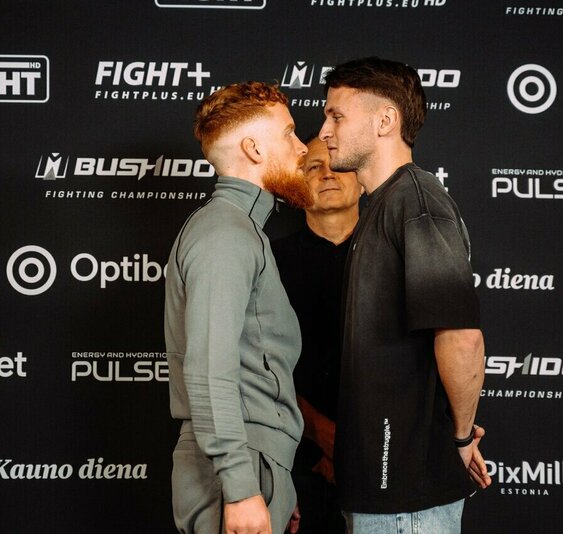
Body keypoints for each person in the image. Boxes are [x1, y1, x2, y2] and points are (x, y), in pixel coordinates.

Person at [318, 57, 492, 532]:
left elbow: (461, 337)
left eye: (336, 116)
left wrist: (460, 439)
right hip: (381, 492)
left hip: (406, 497)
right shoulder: (383, 206)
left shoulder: (416, 201)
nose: (325, 131)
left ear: (385, 120)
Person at [164, 81, 312, 534]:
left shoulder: (240, 229)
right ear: (253, 148)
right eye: (288, 133)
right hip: (237, 466)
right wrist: (243, 488)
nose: (303, 147)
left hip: (253, 461)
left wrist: (273, 477)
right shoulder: (226, 233)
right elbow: (210, 369)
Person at [271, 135, 362, 533]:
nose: (326, 174)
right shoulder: (268, 261)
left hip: (381, 462)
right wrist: (321, 437)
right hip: (290, 463)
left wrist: (352, 446)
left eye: (337, 165)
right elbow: (253, 363)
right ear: (297, 186)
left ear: (363, 180)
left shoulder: (395, 255)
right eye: (313, 167)